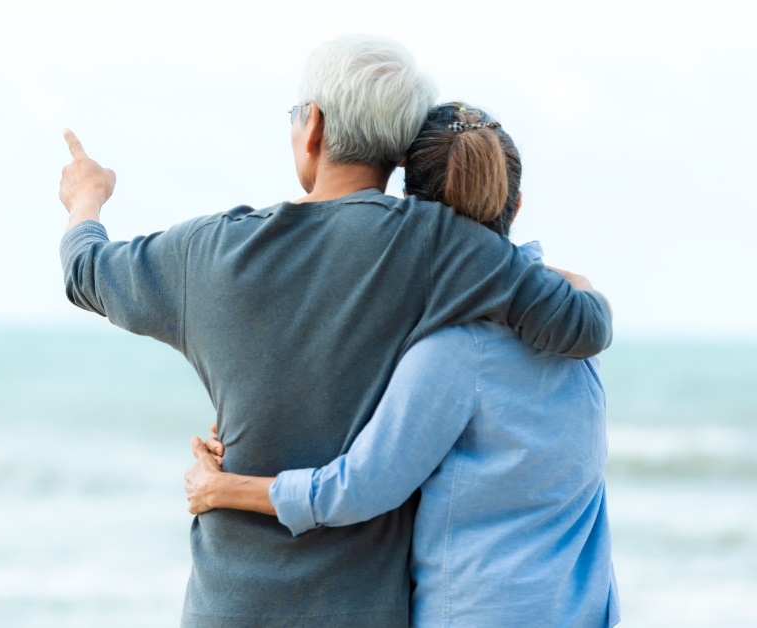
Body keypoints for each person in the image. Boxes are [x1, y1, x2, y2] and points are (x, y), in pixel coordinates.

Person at [58, 35, 612, 627]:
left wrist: (85, 200)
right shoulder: (442, 244)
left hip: (230, 604)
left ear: (313, 125)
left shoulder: (204, 253)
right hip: (363, 609)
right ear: (399, 155)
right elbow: (581, 325)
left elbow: (85, 272)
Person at [182, 102, 621, 626]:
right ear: (517, 203)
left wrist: (226, 488)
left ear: (412, 214)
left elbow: (360, 486)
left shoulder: (457, 349)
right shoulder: (572, 324)